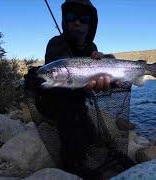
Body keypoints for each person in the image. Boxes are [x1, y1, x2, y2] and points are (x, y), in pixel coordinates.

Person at [32, 0, 123, 177]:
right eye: (71, 17)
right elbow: (56, 76)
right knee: (74, 143)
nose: (77, 22)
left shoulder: (92, 49)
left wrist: (110, 70)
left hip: (79, 104)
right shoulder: (56, 43)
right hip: (55, 102)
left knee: (90, 138)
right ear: (65, 21)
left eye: (84, 18)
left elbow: (97, 81)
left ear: (91, 24)